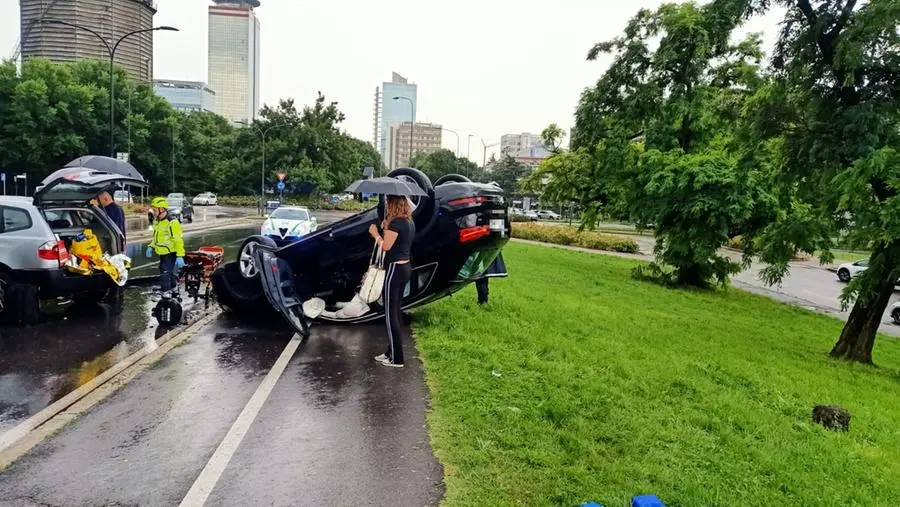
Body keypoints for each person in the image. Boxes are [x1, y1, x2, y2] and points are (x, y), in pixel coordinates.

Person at [368, 195, 415, 368]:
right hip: (405, 268)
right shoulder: (408, 222)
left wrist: (375, 234)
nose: (386, 205)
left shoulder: (397, 224)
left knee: (390, 314)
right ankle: (391, 351)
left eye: (388, 203)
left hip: (395, 269)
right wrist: (386, 225)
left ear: (393, 204)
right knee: (395, 311)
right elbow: (397, 242)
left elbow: (386, 247)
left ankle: (397, 358)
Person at [145, 197, 185, 298]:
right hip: (161, 251)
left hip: (170, 252)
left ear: (162, 209)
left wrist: (180, 255)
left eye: (155, 209)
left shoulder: (172, 222)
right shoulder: (157, 221)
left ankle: (166, 292)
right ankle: (174, 287)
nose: (153, 211)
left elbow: (178, 240)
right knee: (167, 270)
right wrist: (151, 246)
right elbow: (156, 237)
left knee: (165, 272)